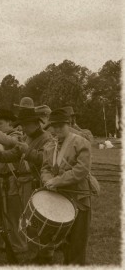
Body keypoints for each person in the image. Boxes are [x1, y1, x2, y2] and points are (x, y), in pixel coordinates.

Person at [0, 97, 54, 264]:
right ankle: (35, 254)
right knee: (29, 222)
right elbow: (14, 154)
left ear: (35, 123)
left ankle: (45, 255)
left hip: (38, 185)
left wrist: (28, 151)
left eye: (25, 124)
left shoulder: (47, 139)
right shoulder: (27, 137)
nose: (22, 128)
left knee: (40, 222)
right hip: (25, 185)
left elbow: (47, 160)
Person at [41, 108, 96, 265]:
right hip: (59, 196)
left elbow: (81, 170)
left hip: (79, 196)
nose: (56, 130)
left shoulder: (81, 143)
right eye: (54, 126)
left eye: (61, 126)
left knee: (78, 240)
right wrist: (47, 180)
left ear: (69, 124)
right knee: (63, 237)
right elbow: (45, 168)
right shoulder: (50, 146)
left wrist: (56, 181)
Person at [0, 109, 28, 258]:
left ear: (10, 123)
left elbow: (10, 147)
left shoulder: (15, 136)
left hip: (14, 179)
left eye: (1, 123)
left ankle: (20, 245)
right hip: (3, 179)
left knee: (15, 214)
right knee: (5, 214)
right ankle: (10, 243)